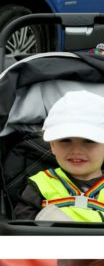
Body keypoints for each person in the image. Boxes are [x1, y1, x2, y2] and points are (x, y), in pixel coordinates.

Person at [14, 90, 104, 223]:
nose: (76, 150)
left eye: (89, 141)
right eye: (65, 140)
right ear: (52, 145)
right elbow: (23, 230)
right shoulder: (40, 185)